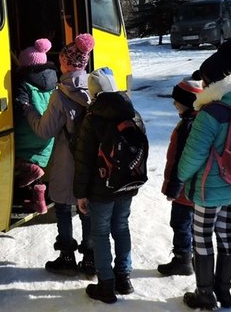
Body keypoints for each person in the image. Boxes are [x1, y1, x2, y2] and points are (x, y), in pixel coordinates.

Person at [177, 40, 231, 310]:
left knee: (202, 236)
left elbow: (193, 154)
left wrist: (181, 176)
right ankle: (224, 291)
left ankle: (205, 293)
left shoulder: (211, 112)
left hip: (210, 188)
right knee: (226, 232)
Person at [19, 33, 96, 277]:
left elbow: (44, 131)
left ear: (67, 63)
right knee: (86, 210)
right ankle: (91, 259)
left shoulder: (61, 94)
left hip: (67, 162)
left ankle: (66, 258)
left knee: (63, 207)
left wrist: (28, 108)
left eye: (62, 60)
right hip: (91, 162)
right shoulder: (95, 87)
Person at [72, 67, 146, 304]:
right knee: (122, 227)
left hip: (100, 188)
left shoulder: (92, 118)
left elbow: (83, 160)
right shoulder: (133, 113)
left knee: (101, 233)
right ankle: (123, 278)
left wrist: (80, 194)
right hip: (127, 183)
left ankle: (106, 284)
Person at [157, 72, 204, 277]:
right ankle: (191, 257)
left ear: (188, 103)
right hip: (196, 186)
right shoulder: (199, 120)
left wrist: (173, 188)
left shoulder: (188, 125)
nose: (175, 105)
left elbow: (179, 160)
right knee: (192, 223)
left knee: (180, 223)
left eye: (177, 102)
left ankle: (182, 259)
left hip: (185, 187)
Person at [13, 38, 58, 214]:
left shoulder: (23, 83)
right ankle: (39, 203)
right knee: (38, 166)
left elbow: (20, 106)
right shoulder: (53, 81)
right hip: (47, 133)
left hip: (29, 130)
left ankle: (28, 169)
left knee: (15, 157)